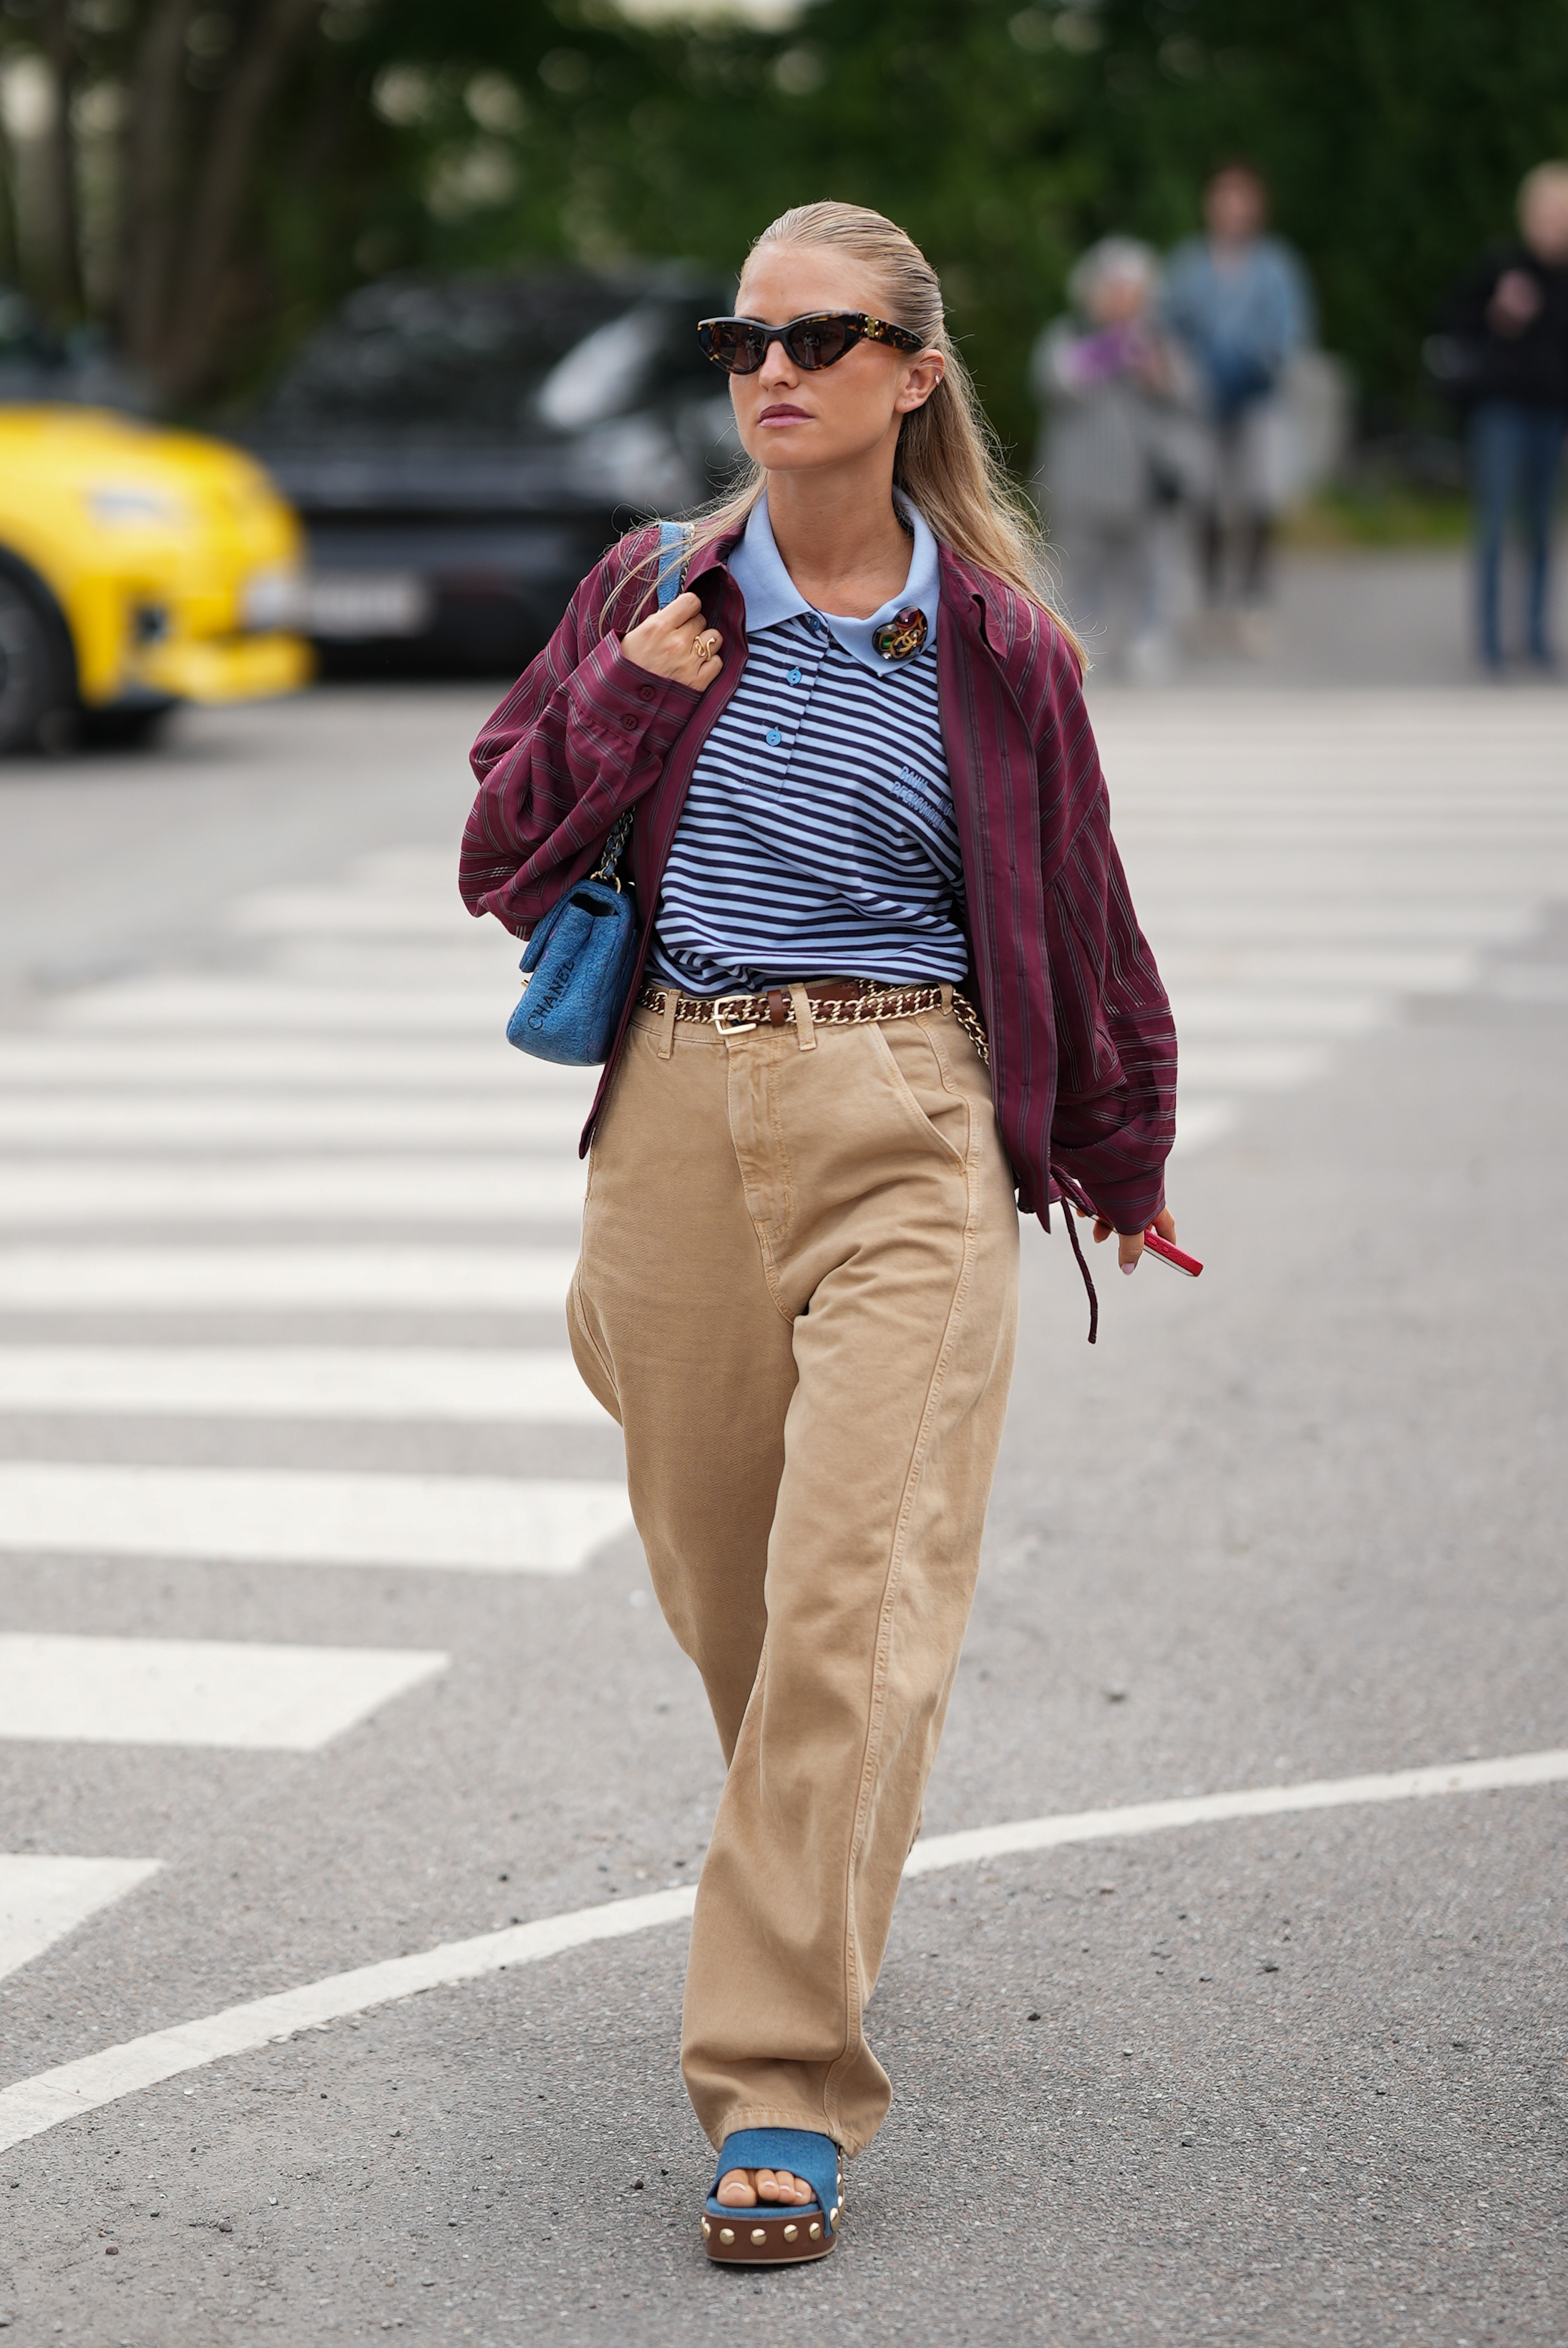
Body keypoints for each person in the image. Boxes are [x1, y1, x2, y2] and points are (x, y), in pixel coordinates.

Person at [458, 200, 1177, 2264]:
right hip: (676, 1110)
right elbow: (501, 852)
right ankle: (822, 1866)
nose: (772, 369)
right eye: (742, 336)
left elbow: (1081, 920)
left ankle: (778, 2080)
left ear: (911, 373)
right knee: (734, 1597)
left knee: (851, 1593)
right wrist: (621, 694)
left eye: (823, 335)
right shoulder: (648, 590)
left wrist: (1113, 1159)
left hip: (909, 1121)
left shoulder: (999, 649)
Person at [1030, 235, 1202, 677]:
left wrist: (1155, 371)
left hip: (1143, 483)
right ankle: (1079, 647)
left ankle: (1150, 638)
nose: (1123, 301)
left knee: (1149, 568)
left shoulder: (1157, 342)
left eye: (1132, 292)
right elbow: (1054, 383)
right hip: (1081, 482)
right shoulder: (1067, 335)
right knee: (1079, 568)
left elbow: (1188, 393)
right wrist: (1105, 353)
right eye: (1113, 290)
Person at [1162, 162, 1315, 620]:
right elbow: (1169, 326)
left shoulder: (1275, 267)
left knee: (1258, 497)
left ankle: (1251, 598)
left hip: (1257, 397)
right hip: (1202, 398)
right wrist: (1195, 373)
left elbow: (1290, 333)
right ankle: (1209, 596)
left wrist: (1250, 366)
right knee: (1203, 496)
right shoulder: (1190, 264)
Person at [1431, 162, 1568, 671]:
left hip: (1551, 414)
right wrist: (1498, 315)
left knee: (1540, 528)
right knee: (1492, 524)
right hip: (1501, 411)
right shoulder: (1500, 268)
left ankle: (1534, 636)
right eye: (1546, 214)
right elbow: (1454, 328)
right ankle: (1488, 641)